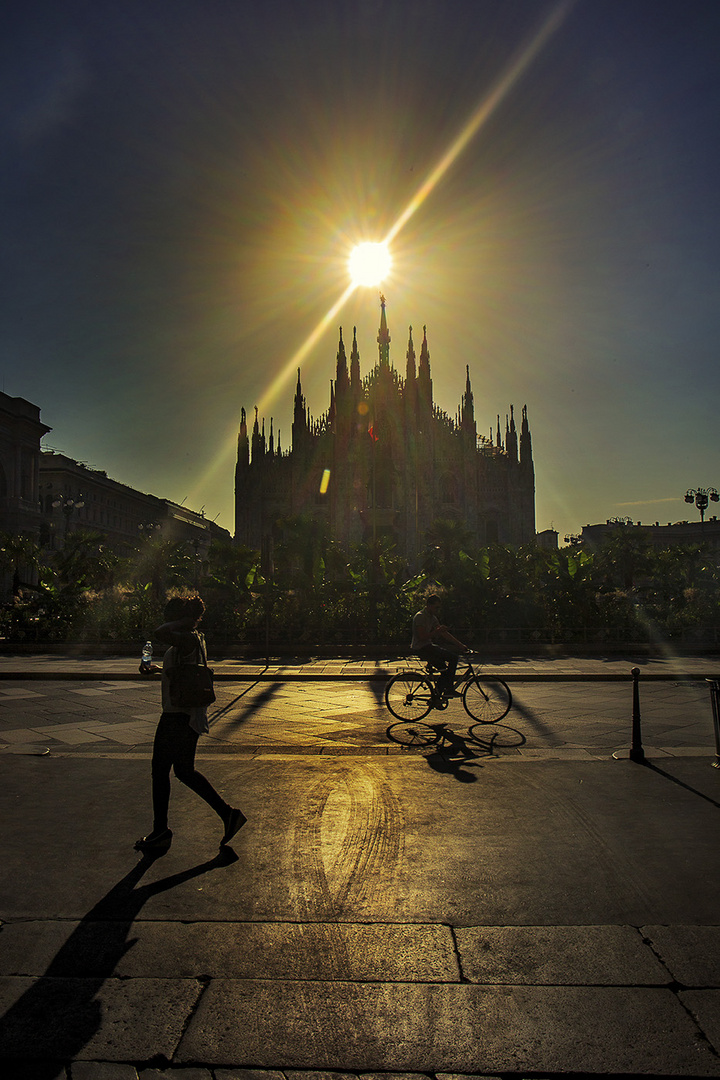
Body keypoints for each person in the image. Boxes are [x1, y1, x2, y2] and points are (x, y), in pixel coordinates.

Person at [134, 595, 246, 853]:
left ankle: (160, 831)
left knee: (160, 770)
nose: (166, 623)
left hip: (178, 716)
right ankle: (228, 815)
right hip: (186, 714)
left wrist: (184, 622)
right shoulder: (193, 639)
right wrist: (156, 670)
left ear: (178, 619)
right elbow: (184, 673)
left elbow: (158, 632)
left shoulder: (186, 636)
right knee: (183, 771)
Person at [411, 594, 468, 697]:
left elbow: (444, 634)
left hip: (428, 647)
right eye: (436, 607)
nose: (437, 610)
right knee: (453, 658)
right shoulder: (420, 616)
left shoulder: (432, 618)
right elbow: (422, 636)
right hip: (421, 648)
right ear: (429, 605)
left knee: (445, 670)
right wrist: (436, 632)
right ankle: (449, 689)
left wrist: (460, 645)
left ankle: (437, 695)